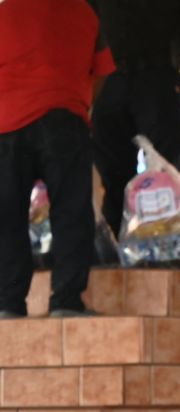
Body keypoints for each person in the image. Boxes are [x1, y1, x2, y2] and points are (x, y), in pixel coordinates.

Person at [0, 0, 114, 319]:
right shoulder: (85, 12)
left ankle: (7, 303)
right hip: (64, 118)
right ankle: (65, 300)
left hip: (6, 122)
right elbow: (104, 69)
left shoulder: (6, 11)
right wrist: (82, 101)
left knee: (7, 217)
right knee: (70, 211)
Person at [91, 0, 180, 234]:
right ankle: (118, 247)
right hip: (116, 79)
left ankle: (161, 244)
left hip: (153, 75)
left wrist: (177, 58)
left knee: (162, 169)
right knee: (111, 174)